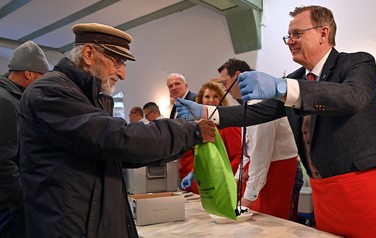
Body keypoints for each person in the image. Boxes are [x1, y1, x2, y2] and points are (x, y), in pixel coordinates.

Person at [176, 5, 376, 237]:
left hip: (368, 183)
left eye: (297, 34)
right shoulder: (295, 79)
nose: (290, 41)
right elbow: (258, 113)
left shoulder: (357, 63)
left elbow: (352, 97)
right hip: (325, 189)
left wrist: (282, 86)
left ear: (324, 33)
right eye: (288, 36)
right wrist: (207, 113)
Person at [18, 23, 216, 238]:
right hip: (70, 225)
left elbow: (120, 155)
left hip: (91, 220)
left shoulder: (87, 96)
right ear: (88, 53)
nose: (122, 74)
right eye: (118, 62)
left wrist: (185, 142)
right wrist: (189, 132)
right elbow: (117, 138)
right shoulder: (49, 91)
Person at [219, 58, 301, 220]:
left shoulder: (260, 102)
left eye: (225, 82)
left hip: (276, 172)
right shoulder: (248, 103)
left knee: (272, 227)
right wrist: (235, 183)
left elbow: (260, 155)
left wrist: (245, 201)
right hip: (262, 172)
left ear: (238, 76)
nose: (224, 88)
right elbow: (247, 151)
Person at [0, 41, 49, 238]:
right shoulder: (5, 101)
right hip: (9, 206)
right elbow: (2, 161)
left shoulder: (14, 98)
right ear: (29, 74)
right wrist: (22, 198)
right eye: (42, 77)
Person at [180, 81, 242, 194]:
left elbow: (237, 156)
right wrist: (194, 174)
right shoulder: (198, 125)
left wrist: (224, 177)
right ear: (201, 101)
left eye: (215, 96)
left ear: (221, 100)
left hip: (224, 184)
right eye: (207, 96)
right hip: (205, 184)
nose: (211, 100)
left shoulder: (228, 123)